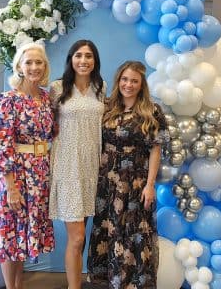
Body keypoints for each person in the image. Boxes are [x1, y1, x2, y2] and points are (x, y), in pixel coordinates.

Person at [87, 61, 169, 289]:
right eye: (125, 79)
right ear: (118, 80)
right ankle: (109, 282)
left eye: (134, 81)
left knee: (133, 233)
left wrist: (150, 185)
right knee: (108, 229)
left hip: (135, 182)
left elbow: (155, 149)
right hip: (106, 181)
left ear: (142, 84)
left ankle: (131, 283)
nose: (128, 84)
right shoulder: (107, 106)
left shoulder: (152, 111)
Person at [0, 42, 57, 289]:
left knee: (23, 235)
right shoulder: (8, 100)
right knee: (11, 235)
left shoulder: (47, 99)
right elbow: (1, 143)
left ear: (45, 66)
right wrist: (11, 186)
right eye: (29, 62)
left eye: (39, 62)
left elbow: (54, 133)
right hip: (17, 174)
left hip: (40, 174)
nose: (34, 67)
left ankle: (19, 285)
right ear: (19, 66)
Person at [49, 39, 106, 289]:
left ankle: (77, 282)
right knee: (77, 237)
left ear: (95, 61)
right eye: (79, 55)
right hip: (67, 167)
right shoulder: (57, 88)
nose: (84, 60)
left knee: (82, 237)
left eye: (89, 56)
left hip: (92, 168)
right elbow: (46, 126)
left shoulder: (100, 87)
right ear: (71, 59)